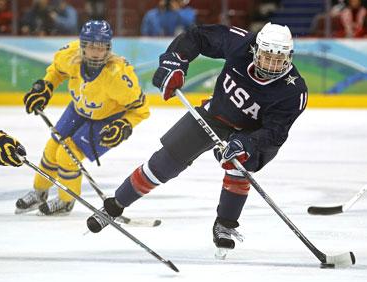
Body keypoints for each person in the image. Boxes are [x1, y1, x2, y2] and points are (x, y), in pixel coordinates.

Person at [86, 23, 308, 254]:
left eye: (278, 59)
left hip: (252, 133)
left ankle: (225, 224)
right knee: (165, 161)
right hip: (216, 114)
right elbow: (198, 37)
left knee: (238, 165)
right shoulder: (241, 43)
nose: (272, 65)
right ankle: (114, 206)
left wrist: (247, 144)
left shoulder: (293, 92)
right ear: (255, 50)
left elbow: (275, 132)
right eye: (266, 57)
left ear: (289, 57)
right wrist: (175, 61)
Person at [15, 20, 150, 216]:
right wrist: (46, 86)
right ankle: (39, 192)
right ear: (82, 46)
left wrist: (124, 125)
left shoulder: (118, 78)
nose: (97, 52)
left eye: (102, 47)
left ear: (108, 48)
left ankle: (66, 201)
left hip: (107, 119)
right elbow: (57, 70)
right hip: (79, 109)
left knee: (67, 155)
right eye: (91, 46)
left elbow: (142, 109)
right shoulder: (70, 56)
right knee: (52, 148)